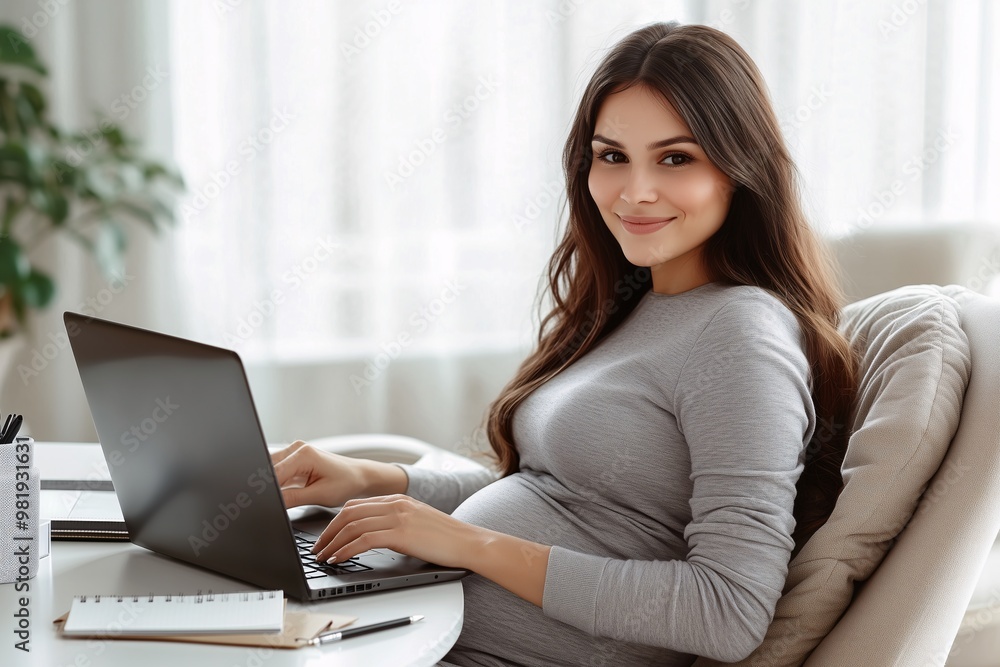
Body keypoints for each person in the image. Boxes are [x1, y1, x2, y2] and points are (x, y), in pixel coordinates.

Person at [270, 20, 859, 666]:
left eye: (675, 158)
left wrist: (470, 545)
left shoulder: (740, 335)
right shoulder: (632, 301)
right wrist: (369, 480)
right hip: (411, 635)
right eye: (612, 156)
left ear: (741, 169)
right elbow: (558, 494)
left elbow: (728, 609)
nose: (635, 192)